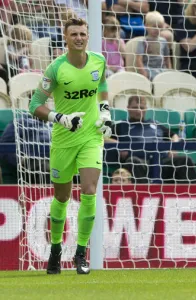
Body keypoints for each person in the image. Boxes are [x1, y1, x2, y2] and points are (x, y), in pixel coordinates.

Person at [29, 18, 112, 275]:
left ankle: (80, 254)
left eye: (82, 33)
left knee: (89, 190)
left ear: (88, 36)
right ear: (65, 38)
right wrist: (60, 118)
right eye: (74, 34)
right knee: (62, 197)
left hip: (90, 137)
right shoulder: (56, 69)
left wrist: (105, 113)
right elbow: (34, 105)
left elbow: (102, 87)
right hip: (64, 140)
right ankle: (55, 250)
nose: (79, 37)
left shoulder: (98, 60)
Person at [107, 95, 196, 184]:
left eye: (142, 108)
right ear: (128, 108)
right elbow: (101, 137)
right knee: (133, 161)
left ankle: (193, 196)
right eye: (135, 107)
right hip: (140, 162)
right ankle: (144, 196)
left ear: (146, 108)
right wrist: (120, 145)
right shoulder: (121, 125)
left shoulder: (155, 124)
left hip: (162, 162)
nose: (139, 111)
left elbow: (174, 135)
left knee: (185, 160)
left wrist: (172, 147)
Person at [0, 112, 52, 184]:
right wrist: (20, 161)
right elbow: (5, 148)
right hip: (32, 163)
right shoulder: (19, 123)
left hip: (55, 158)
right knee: (44, 167)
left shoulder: (53, 126)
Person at [136, 11, 172, 81]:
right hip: (148, 68)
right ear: (146, 26)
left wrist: (169, 70)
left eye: (159, 27)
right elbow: (138, 59)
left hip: (161, 68)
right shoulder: (143, 41)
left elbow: (167, 58)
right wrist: (143, 72)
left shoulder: (163, 41)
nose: (157, 29)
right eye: (154, 26)